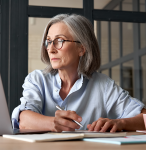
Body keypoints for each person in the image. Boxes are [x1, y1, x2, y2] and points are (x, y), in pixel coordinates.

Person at [12, 14, 146, 132]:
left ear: (82, 49)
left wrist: (119, 122)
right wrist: (53, 123)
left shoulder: (103, 85)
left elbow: (144, 118)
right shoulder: (37, 79)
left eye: (60, 41)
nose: (51, 49)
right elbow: (23, 121)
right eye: (48, 42)